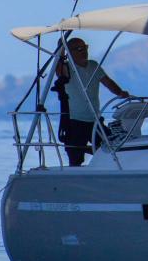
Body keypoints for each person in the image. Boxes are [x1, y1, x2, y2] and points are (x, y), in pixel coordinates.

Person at [54, 34, 127, 167]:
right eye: (79, 49)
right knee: (75, 159)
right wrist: (61, 49)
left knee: (112, 147)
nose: (84, 51)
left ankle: (96, 155)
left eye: (85, 47)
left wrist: (121, 93)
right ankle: (82, 160)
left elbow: (108, 82)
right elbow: (59, 71)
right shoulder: (67, 68)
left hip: (94, 120)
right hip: (75, 120)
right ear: (70, 52)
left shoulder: (93, 66)